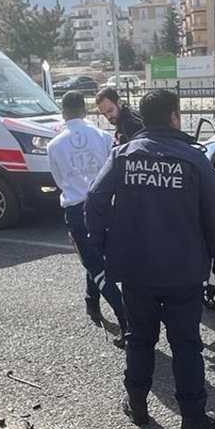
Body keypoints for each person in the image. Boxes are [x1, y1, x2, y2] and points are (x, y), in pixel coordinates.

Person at [86, 89, 215, 429]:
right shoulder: (194, 159)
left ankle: (137, 406)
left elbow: (93, 198)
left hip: (137, 268)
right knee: (186, 344)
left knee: (140, 339)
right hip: (183, 270)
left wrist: (104, 243)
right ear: (173, 117)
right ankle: (193, 420)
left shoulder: (124, 155)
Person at [49, 91, 126, 347]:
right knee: (96, 257)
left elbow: (60, 181)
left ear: (64, 112)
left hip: (77, 208)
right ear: (85, 111)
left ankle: (125, 317)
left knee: (95, 264)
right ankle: (91, 300)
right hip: (105, 205)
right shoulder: (103, 137)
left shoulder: (54, 145)